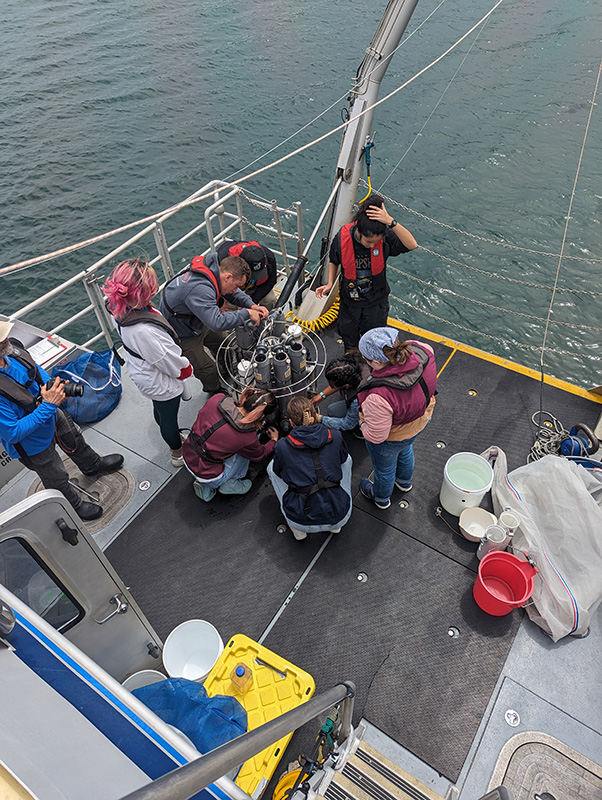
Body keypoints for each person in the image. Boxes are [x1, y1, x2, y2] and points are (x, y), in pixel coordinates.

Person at [0, 321, 124, 521]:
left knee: (74, 438)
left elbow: (36, 371)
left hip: (49, 412)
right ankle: (72, 506)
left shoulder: (12, 352)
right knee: (55, 475)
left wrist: (55, 386)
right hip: (33, 443)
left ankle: (92, 465)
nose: (6, 339)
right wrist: (49, 405)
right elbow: (12, 432)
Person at [103, 259, 192, 468]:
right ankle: (177, 454)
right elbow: (167, 361)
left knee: (160, 410)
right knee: (169, 418)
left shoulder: (118, 309)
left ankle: (174, 439)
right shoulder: (144, 331)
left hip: (142, 373)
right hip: (159, 381)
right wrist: (186, 369)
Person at [315, 194, 417, 350]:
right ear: (359, 232)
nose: (372, 246)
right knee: (349, 339)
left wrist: (390, 221)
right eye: (368, 241)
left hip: (376, 303)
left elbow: (412, 244)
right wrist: (329, 283)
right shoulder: (342, 237)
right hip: (350, 303)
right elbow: (333, 260)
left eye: (375, 242)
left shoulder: (385, 239)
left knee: (376, 341)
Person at [159, 253, 269, 395]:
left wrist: (252, 305)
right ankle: (215, 390)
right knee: (207, 369)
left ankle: (227, 374)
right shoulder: (200, 289)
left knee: (224, 344)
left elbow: (233, 294)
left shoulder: (216, 271)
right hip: (183, 333)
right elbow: (216, 323)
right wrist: (246, 313)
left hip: (197, 319)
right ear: (228, 276)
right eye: (236, 285)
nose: (236, 290)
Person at [356, 327, 437, 510]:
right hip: (421, 419)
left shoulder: (378, 397)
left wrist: (362, 423)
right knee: (406, 449)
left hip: (393, 436)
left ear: (376, 362)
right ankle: (404, 482)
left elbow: (377, 436)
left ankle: (381, 498)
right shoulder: (423, 349)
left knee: (384, 469)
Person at [268, 396, 353, 540]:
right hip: (339, 514)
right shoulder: (335, 436)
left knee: (271, 468)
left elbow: (278, 471)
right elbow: (343, 459)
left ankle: (298, 531)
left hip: (300, 518)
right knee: (347, 459)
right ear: (315, 416)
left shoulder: (283, 445)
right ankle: (335, 527)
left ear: (291, 422)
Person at [182, 386, 278, 501]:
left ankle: (204, 485)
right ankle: (229, 484)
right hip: (210, 475)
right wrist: (273, 441)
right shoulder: (246, 435)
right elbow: (259, 455)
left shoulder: (217, 399)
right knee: (248, 450)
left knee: (214, 447)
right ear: (261, 416)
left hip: (188, 455)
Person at [311, 350, 369, 434]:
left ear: (346, 385)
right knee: (333, 409)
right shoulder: (356, 364)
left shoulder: (358, 398)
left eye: (332, 386)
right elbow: (338, 383)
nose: (330, 387)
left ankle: (360, 428)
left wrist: (319, 418)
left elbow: (347, 424)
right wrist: (322, 395)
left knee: (333, 411)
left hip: (368, 410)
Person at [216, 240, 278, 310]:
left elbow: (271, 281)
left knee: (270, 300)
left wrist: (252, 302)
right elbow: (218, 284)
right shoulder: (222, 259)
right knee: (227, 308)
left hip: (256, 287)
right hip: (230, 290)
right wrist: (221, 301)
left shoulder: (269, 257)